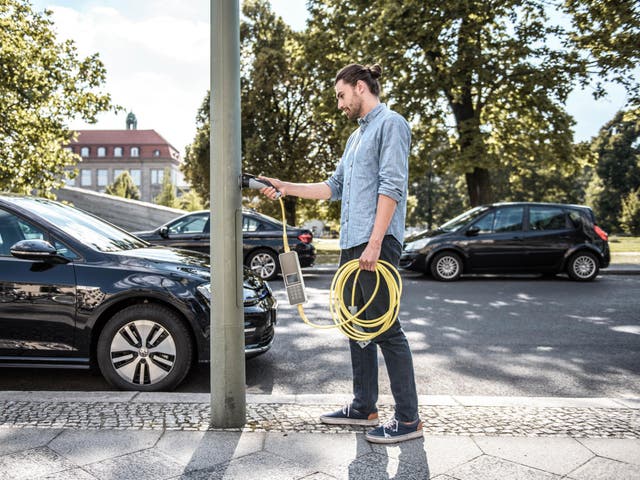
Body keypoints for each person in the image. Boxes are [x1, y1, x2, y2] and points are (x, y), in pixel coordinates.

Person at [260, 63, 422, 444]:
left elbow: (392, 186)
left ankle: (409, 420)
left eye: (341, 95)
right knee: (356, 325)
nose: (339, 104)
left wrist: (376, 243)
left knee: (385, 328)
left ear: (361, 88)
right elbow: (333, 187)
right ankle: (364, 405)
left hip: (374, 243)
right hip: (353, 243)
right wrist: (285, 187)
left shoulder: (391, 124)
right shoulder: (355, 139)